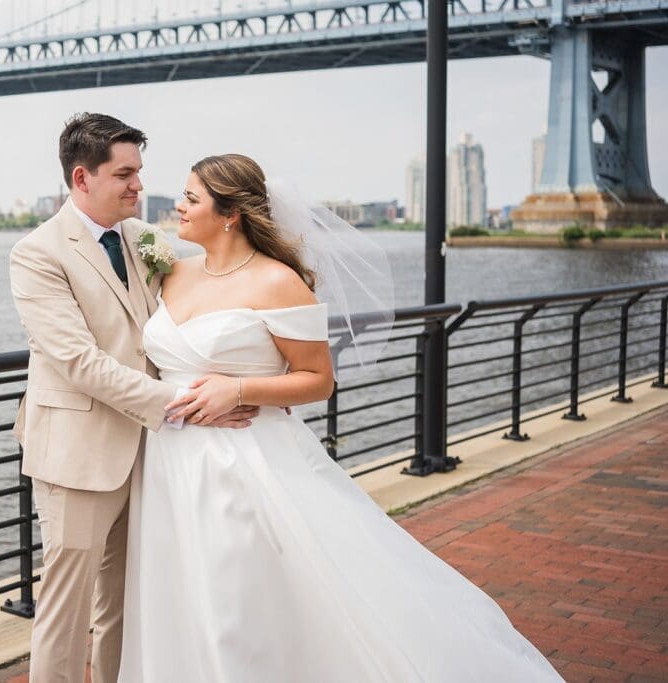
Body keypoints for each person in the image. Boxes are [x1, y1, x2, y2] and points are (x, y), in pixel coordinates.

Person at [117, 154, 566, 682]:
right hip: (169, 460)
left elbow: (318, 378)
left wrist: (237, 388)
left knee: (231, 598)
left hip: (241, 465)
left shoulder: (277, 282)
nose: (178, 207)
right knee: (177, 594)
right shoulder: (173, 272)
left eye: (192, 198)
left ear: (231, 212)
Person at [8, 114, 256, 683]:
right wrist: (183, 403)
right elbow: (78, 362)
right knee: (65, 611)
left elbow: (195, 310)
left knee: (122, 605)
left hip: (148, 452)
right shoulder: (37, 253)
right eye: (124, 175)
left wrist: (251, 375)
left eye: (139, 173)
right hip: (78, 453)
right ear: (81, 178)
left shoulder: (144, 240)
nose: (138, 187)